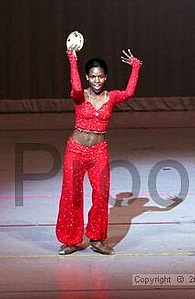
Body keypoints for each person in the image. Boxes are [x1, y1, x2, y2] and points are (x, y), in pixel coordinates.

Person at [55, 45, 142, 255]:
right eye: (93, 77)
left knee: (101, 195)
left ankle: (97, 239)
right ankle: (70, 240)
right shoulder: (79, 96)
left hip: (98, 152)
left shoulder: (110, 98)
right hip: (75, 151)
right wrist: (72, 58)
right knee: (72, 195)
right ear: (87, 77)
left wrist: (135, 67)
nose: (97, 80)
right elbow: (75, 87)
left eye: (101, 77)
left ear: (106, 78)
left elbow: (129, 93)